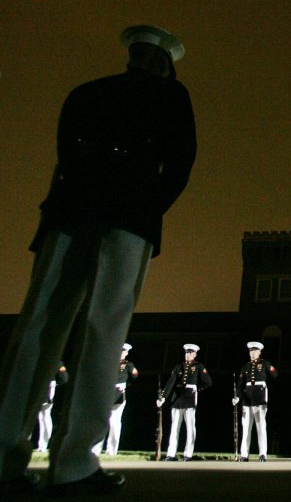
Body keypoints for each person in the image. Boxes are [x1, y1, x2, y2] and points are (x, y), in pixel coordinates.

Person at [0, 24, 195, 496]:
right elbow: (181, 160)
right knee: (104, 329)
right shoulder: (171, 96)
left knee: (38, 327)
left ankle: (5, 453)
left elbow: (64, 157)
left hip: (70, 211)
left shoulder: (86, 93)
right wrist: (149, 208)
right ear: (165, 64)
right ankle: (73, 462)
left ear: (132, 56)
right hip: (128, 216)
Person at [157, 344, 212, 461]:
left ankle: (188, 454)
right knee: (174, 427)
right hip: (177, 398)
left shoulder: (198, 366)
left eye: (190, 353)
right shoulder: (179, 367)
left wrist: (197, 389)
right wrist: (163, 397)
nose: (188, 355)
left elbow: (208, 382)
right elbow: (170, 383)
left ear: (195, 354)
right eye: (186, 353)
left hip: (190, 398)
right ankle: (170, 454)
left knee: (190, 427)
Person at [233, 341, 278, 462]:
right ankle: (244, 454)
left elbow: (275, 375)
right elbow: (240, 385)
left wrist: (269, 390)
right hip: (247, 397)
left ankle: (262, 453)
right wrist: (237, 397)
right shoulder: (246, 366)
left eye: (254, 351)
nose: (252, 353)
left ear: (259, 352)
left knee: (261, 426)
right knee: (246, 427)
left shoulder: (264, 364)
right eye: (250, 351)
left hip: (260, 396)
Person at [92, 344, 139, 456]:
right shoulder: (110, 362)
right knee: (102, 421)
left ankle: (112, 450)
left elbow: (135, 376)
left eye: (123, 351)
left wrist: (126, 385)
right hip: (107, 393)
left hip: (118, 394)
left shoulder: (128, 365)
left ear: (126, 353)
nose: (121, 352)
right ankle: (96, 449)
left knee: (114, 422)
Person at [36, 363, 69, 453]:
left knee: (45, 416)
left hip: (47, 387)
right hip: (43, 386)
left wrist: (54, 384)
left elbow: (64, 377)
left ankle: (43, 445)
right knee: (41, 417)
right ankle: (41, 445)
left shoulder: (56, 362)